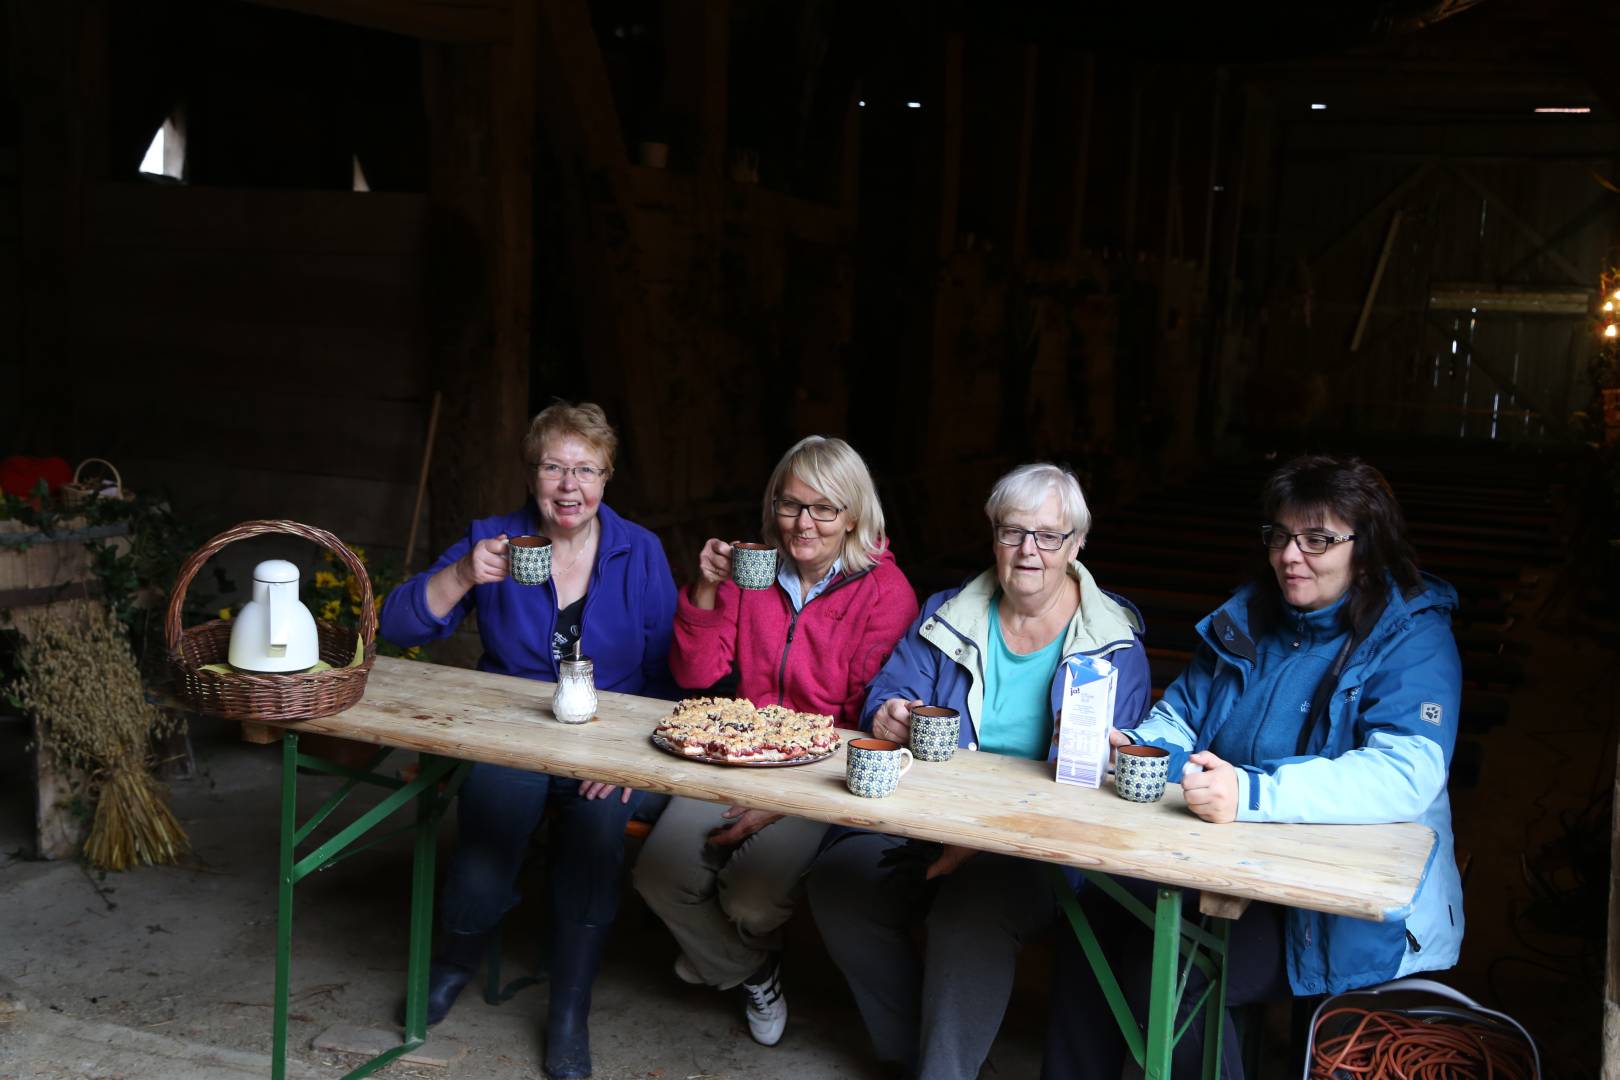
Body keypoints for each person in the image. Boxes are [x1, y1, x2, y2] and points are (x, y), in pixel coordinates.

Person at [1042, 454, 1466, 1080]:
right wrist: (1131, 746)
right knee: (1091, 921)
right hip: (1235, 864)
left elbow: (1406, 774)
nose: (1291, 555)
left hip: (1336, 906)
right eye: (1280, 535)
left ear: (1367, 548)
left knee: (1168, 973)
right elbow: (1180, 718)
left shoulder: (1411, 635)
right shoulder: (1252, 617)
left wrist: (1252, 793)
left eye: (1318, 539)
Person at [806, 462, 1151, 1080]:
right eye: (1013, 531)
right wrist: (887, 713)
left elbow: (1095, 788)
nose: (1028, 551)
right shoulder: (948, 614)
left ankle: (944, 1070)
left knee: (968, 916)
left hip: (1041, 840)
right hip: (922, 814)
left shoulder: (1113, 643)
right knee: (839, 881)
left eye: (1048, 536)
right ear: (993, 535)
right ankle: (930, 1055)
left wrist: (970, 844)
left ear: (1075, 545)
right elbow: (888, 692)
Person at [379, 401, 676, 1080]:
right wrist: (460, 576)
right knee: (492, 809)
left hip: (609, 742)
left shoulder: (641, 552)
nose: (569, 486)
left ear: (607, 479)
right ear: (531, 474)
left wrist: (634, 760)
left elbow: (671, 674)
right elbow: (397, 628)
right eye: (553, 467)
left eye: (586, 470)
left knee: (599, 826)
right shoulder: (494, 538)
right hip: (511, 734)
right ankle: (453, 962)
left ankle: (570, 1011)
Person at [632, 435, 918, 1047]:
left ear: (853, 517)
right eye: (790, 505)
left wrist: (782, 803)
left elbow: (868, 722)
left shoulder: (886, 594)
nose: (802, 524)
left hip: (822, 769)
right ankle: (749, 970)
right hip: (737, 751)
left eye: (823, 509)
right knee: (658, 874)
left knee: (751, 903)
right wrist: (707, 588)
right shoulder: (751, 570)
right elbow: (696, 676)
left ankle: (719, 952)